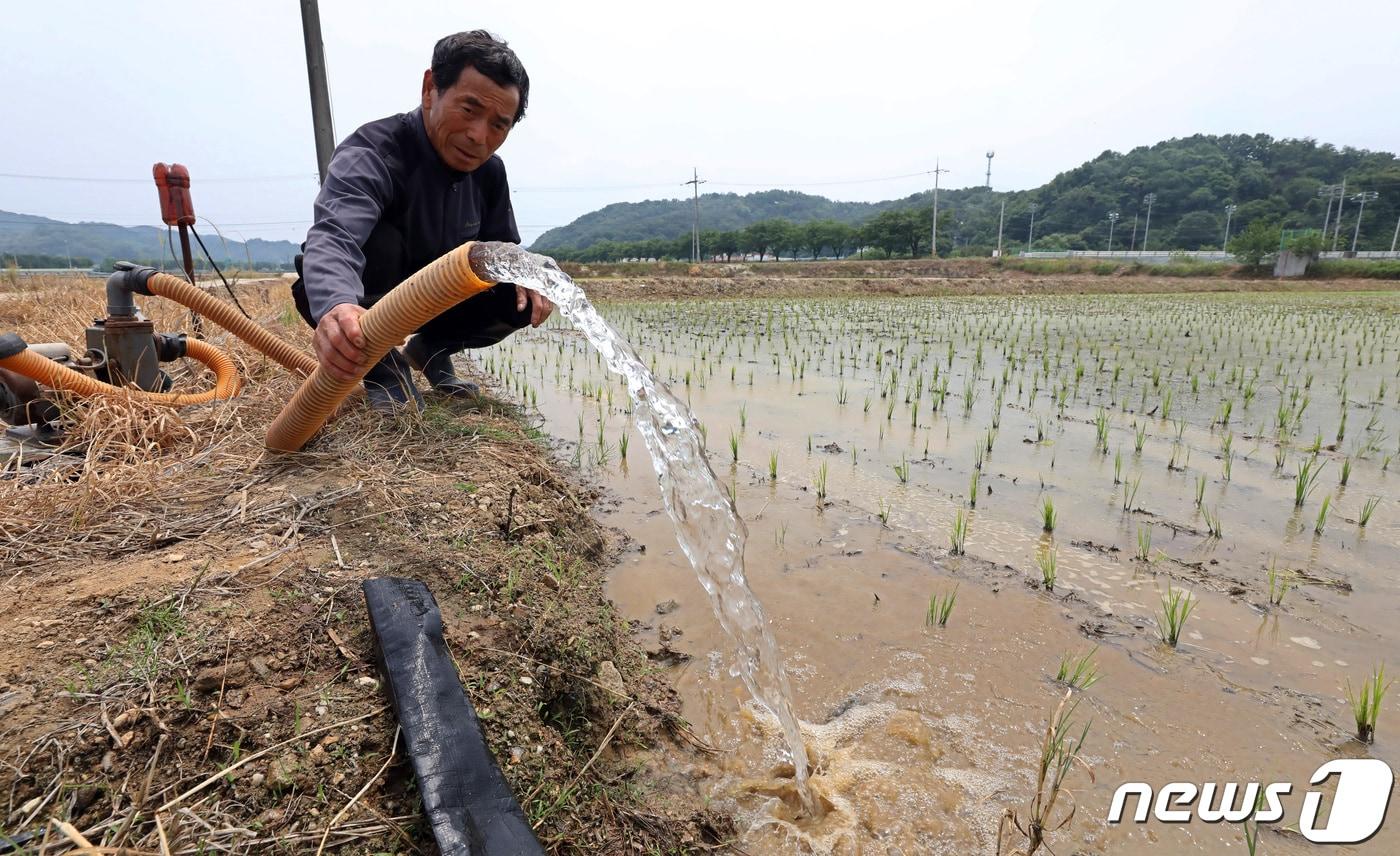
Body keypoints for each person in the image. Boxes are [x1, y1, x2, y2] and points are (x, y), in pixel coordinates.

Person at [291, 30, 553, 411]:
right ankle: (383, 367)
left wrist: (531, 276)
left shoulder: (490, 173)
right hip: (370, 303)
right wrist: (335, 304)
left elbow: (504, 249)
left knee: (518, 292)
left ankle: (430, 350)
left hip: (440, 302)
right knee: (373, 244)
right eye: (469, 110)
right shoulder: (373, 152)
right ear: (430, 89)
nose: (479, 135)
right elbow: (335, 236)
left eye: (499, 125)